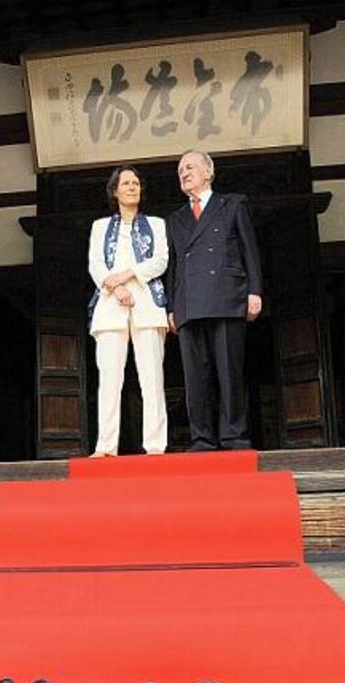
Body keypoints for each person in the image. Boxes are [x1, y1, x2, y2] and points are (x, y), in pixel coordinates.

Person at [166, 150, 262, 451]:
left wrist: (254, 291)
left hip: (227, 295)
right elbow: (174, 265)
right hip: (188, 303)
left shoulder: (232, 204)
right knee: (196, 377)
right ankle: (202, 437)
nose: (184, 172)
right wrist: (170, 306)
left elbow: (250, 250)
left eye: (190, 166)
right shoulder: (176, 219)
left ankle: (234, 435)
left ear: (209, 172)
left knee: (229, 371)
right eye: (180, 169)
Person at [88, 165, 168, 456]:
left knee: (152, 378)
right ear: (115, 191)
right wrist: (116, 288)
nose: (132, 187)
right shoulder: (99, 227)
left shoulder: (157, 224)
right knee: (109, 379)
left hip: (147, 303)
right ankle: (106, 445)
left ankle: (155, 445)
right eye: (126, 183)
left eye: (136, 183)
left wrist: (126, 276)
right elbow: (96, 265)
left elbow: (160, 261)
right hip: (110, 306)